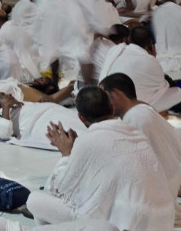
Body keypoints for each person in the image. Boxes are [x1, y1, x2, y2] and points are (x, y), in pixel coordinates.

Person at [25, 86, 174, 229]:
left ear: (80, 117)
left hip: (124, 225)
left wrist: (66, 154)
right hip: (163, 220)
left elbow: (58, 189)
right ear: (112, 108)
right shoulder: (135, 133)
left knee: (35, 200)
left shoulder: (89, 140)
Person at [100, 72, 181, 198]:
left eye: (103, 96)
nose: (101, 103)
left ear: (116, 93)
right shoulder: (140, 109)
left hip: (165, 189)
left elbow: (141, 168)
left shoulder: (136, 117)